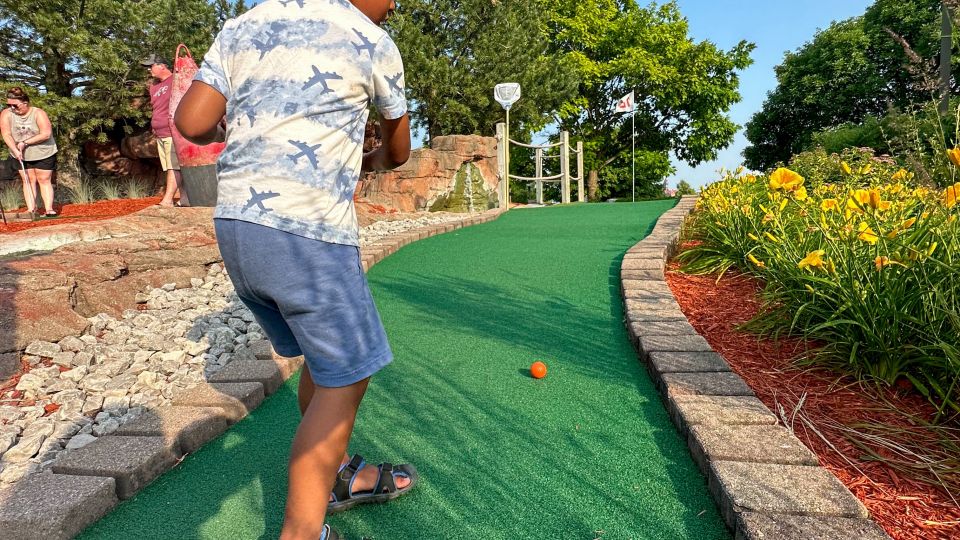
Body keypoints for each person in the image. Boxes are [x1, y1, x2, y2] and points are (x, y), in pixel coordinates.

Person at [174, 1, 414, 539]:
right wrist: (370, 157)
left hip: (237, 227)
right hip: (306, 235)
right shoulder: (372, 41)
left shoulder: (248, 22)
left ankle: (338, 471)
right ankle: (303, 531)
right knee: (350, 374)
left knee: (322, 359)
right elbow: (398, 151)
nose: (397, 4)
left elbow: (190, 122)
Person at [0, 87, 58, 216]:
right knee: (28, 179)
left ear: (25, 103)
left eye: (15, 105)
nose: (12, 108)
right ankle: (31, 209)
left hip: (43, 151)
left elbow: (46, 134)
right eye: (8, 105)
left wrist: (25, 143)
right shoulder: (6, 114)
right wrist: (15, 150)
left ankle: (49, 209)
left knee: (43, 179)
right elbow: (6, 134)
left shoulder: (38, 113)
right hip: (20, 153)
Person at [142, 53, 189, 207]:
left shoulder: (176, 80)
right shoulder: (154, 87)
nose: (149, 70)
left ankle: (168, 200)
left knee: (173, 166)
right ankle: (185, 199)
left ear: (162, 65)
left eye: (151, 66)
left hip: (173, 132)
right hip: (160, 134)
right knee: (172, 166)